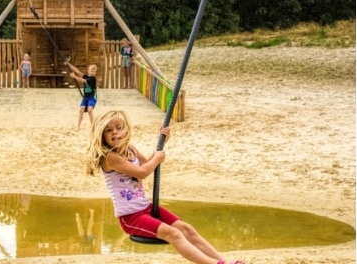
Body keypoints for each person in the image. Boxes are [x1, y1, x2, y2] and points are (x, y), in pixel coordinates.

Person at [85, 110, 243, 264]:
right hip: (131, 217)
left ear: (127, 129)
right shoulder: (110, 158)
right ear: (102, 136)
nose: (115, 132)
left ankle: (223, 261)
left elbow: (146, 164)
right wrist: (158, 159)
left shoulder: (130, 149)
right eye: (109, 130)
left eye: (119, 128)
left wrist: (161, 147)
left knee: (186, 229)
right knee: (173, 233)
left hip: (146, 208)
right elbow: (142, 173)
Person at [64, 61, 98, 130]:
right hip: (85, 98)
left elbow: (83, 81)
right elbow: (77, 71)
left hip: (92, 98)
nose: (93, 72)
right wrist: (69, 65)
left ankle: (93, 126)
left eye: (94, 71)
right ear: (88, 71)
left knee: (89, 110)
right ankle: (78, 126)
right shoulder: (86, 76)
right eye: (91, 71)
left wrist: (74, 77)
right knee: (81, 109)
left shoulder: (93, 79)